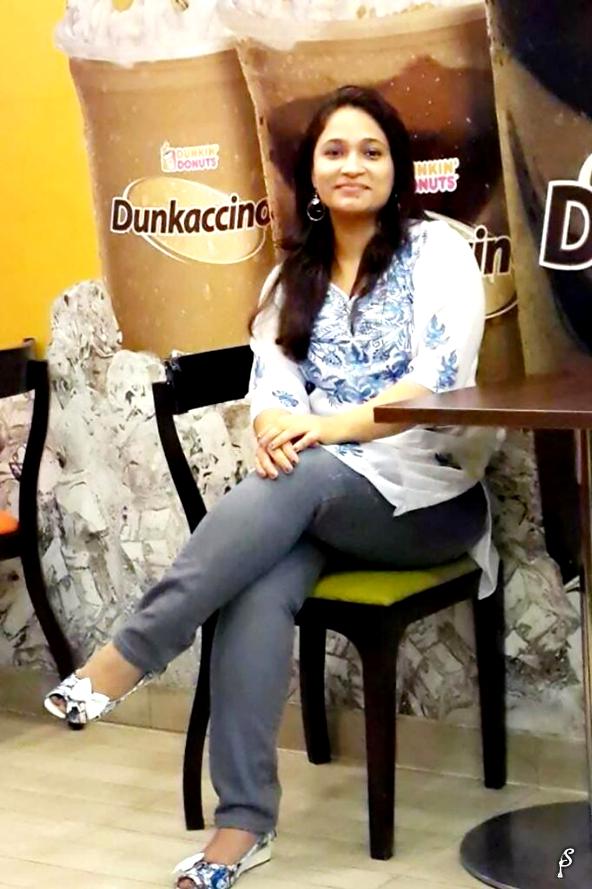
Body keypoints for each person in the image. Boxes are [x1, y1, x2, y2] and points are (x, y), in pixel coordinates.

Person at [44, 85, 497, 889]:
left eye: (372, 151)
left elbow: (437, 384)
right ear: (309, 172)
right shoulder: (292, 279)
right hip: (317, 501)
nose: (352, 165)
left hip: (427, 498)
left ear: (397, 168)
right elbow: (273, 396)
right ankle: (243, 825)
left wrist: (322, 429)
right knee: (256, 583)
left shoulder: (440, 253)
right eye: (334, 151)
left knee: (306, 473)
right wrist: (277, 430)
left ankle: (131, 651)